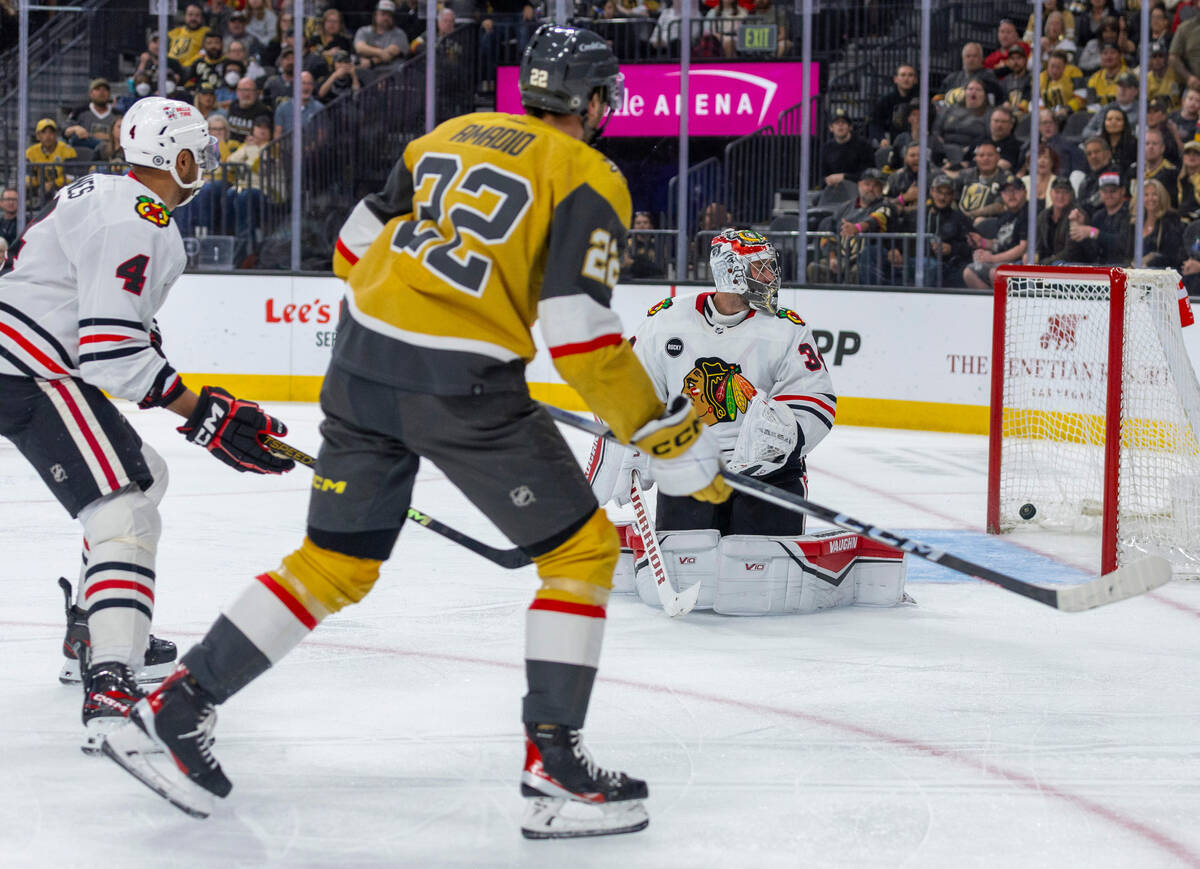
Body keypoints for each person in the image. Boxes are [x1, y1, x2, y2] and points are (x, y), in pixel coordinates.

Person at [101, 25, 727, 838]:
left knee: (334, 562)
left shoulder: (446, 136)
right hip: (464, 388)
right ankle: (555, 770)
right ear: (600, 102)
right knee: (581, 552)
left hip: (360, 364)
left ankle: (180, 702)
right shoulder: (589, 175)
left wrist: (421, 317)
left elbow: (351, 247)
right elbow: (579, 333)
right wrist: (661, 431)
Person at [0, 97, 294, 753]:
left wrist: (200, 415)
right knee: (125, 512)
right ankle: (110, 682)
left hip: (31, 361)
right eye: (202, 149)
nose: (209, 161)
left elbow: (115, 335)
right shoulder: (138, 220)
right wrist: (207, 416)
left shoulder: (110, 196)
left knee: (144, 476)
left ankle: (91, 626)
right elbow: (110, 355)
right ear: (179, 157)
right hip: (33, 370)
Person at [587, 230, 892, 617]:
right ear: (730, 273)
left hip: (765, 473)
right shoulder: (666, 320)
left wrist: (784, 439)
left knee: (759, 582)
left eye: (769, 268)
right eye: (760, 269)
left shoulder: (786, 327)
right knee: (690, 563)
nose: (770, 278)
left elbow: (816, 397)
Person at [962, 178, 1029, 289]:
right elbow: (1000, 243)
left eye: (1015, 190)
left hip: (1021, 262)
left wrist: (992, 258)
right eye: (1006, 191)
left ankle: (1004, 306)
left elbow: (1022, 248)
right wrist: (982, 243)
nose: (1011, 195)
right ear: (1002, 195)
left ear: (1025, 192)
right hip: (1002, 261)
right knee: (969, 272)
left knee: (996, 273)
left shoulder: (1028, 213)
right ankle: (990, 304)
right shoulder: (1005, 215)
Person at [1065, 170, 1132, 265]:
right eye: (1105, 191)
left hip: (1123, 268)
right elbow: (1091, 252)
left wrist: (1094, 233)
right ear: (1100, 193)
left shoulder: (1130, 213)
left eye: (1113, 191)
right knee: (1063, 265)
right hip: (1100, 267)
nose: (1109, 195)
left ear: (1122, 191)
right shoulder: (1099, 216)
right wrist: (1080, 227)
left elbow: (1124, 244)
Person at [956, 141, 1014, 223]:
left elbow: (1000, 206)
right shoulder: (965, 175)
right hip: (962, 218)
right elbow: (954, 197)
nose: (986, 158)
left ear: (998, 157)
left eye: (990, 155)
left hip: (992, 221)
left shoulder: (1006, 178)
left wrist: (971, 214)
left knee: (980, 221)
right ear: (975, 158)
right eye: (981, 155)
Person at [355, 0, 408, 83]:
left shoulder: (399, 33)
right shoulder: (364, 31)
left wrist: (371, 61)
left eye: (389, 15)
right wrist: (380, 52)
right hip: (368, 73)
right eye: (383, 14)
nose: (386, 18)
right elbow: (360, 48)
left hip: (391, 72)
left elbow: (392, 51)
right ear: (375, 15)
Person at [1136, 178, 1184, 269]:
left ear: (1162, 196)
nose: (1150, 198)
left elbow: (1172, 256)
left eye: (1154, 194)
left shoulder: (1171, 220)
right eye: (1146, 195)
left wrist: (1149, 263)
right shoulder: (1136, 222)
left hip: (1160, 276)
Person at [938, 42, 1006, 106]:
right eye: (968, 56)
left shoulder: (989, 77)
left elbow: (998, 101)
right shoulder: (951, 78)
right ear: (963, 59)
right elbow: (938, 98)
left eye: (975, 56)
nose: (971, 59)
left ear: (981, 58)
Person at [932, 77, 990, 153]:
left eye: (978, 90)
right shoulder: (951, 109)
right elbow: (936, 129)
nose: (973, 92)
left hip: (972, 151)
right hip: (945, 148)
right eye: (970, 89)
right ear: (965, 92)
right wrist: (941, 145)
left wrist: (969, 150)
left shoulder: (989, 113)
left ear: (985, 94)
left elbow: (987, 136)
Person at [820, 108, 875, 187]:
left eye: (844, 122)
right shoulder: (826, 148)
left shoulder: (863, 145)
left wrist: (844, 177)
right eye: (837, 123)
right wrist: (828, 181)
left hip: (858, 188)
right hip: (834, 189)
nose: (840, 125)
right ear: (831, 128)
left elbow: (868, 174)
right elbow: (823, 175)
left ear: (850, 127)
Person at [25, 118, 78, 198]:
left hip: (62, 190)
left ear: (56, 134)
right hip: (38, 190)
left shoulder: (68, 150)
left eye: (51, 132)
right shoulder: (31, 152)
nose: (48, 136)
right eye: (44, 132)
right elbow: (29, 176)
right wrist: (39, 186)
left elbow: (71, 176)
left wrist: (52, 184)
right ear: (38, 135)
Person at [870, 63, 917, 146]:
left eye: (910, 75)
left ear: (915, 80)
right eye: (903, 75)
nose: (906, 79)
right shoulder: (885, 100)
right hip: (893, 142)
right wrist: (882, 139)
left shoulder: (922, 100)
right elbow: (875, 123)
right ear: (895, 79)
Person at [1036, 176, 1076, 263]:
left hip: (1068, 265)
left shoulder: (1076, 215)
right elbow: (1037, 245)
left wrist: (1045, 262)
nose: (1060, 196)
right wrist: (1032, 256)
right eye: (1057, 192)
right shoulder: (1043, 216)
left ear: (1071, 194)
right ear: (1050, 193)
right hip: (1047, 263)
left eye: (1065, 192)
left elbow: (1070, 252)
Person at [225, 77, 272, 143]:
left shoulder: (263, 110)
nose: (246, 94)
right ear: (237, 92)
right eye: (243, 90)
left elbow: (266, 137)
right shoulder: (233, 106)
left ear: (256, 93)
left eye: (250, 90)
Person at [1143, 127, 1180, 207]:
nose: (1150, 147)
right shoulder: (1133, 170)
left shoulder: (1173, 173)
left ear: (1162, 148)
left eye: (1154, 144)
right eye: (1147, 144)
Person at [622, 211, 666, 278]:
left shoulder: (658, 245)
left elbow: (661, 268)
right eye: (638, 223)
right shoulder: (626, 244)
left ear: (651, 226)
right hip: (630, 281)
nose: (641, 225)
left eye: (645, 222)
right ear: (633, 226)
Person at [167, 3, 210, 68]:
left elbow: (204, 52)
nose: (193, 18)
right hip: (170, 67)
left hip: (192, 68)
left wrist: (186, 66)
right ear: (185, 16)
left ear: (202, 18)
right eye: (190, 15)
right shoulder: (175, 32)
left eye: (197, 15)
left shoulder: (207, 32)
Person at [1179, 140, 1200, 222]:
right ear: (1183, 157)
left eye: (1196, 153)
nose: (1192, 156)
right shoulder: (1180, 179)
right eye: (1188, 153)